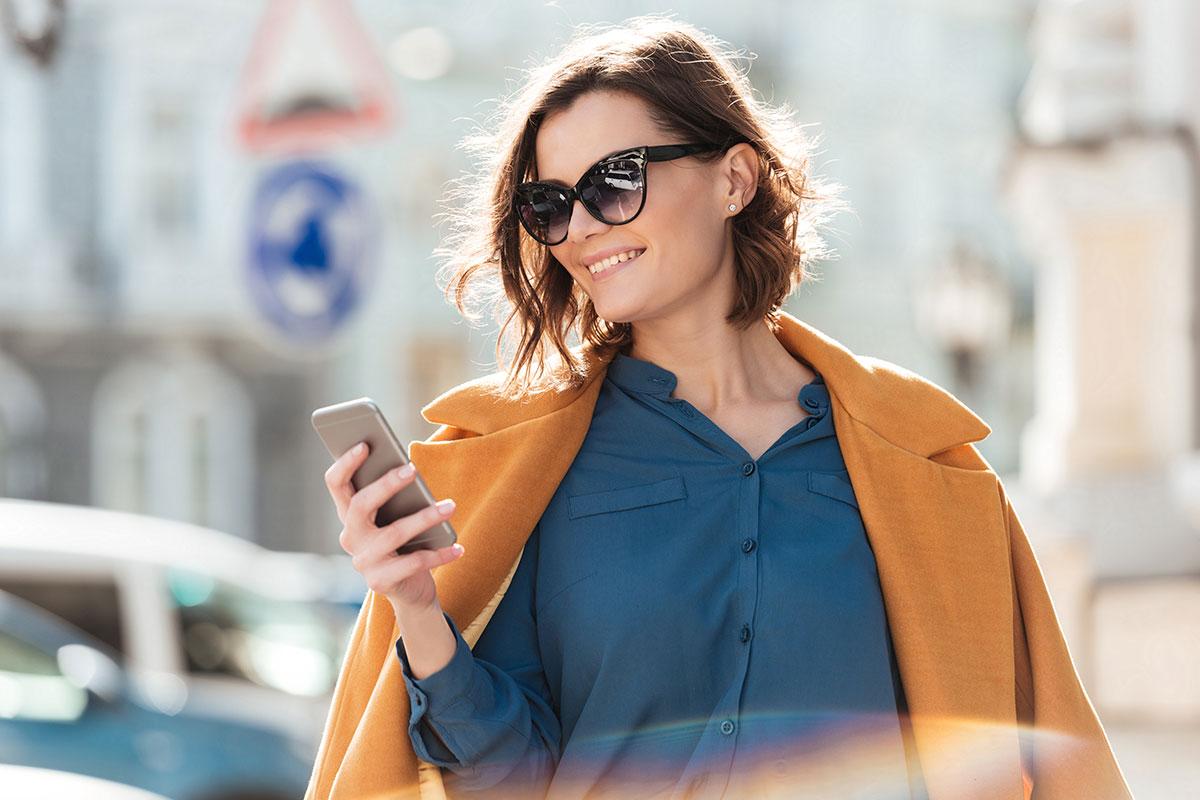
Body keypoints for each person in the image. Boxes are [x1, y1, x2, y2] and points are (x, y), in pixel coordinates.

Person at [307, 14, 1133, 800]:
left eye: (616, 181)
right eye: (552, 204)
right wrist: (416, 607)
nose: (584, 227)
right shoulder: (521, 465)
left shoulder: (922, 462)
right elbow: (515, 773)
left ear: (734, 178)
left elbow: (1013, 755)